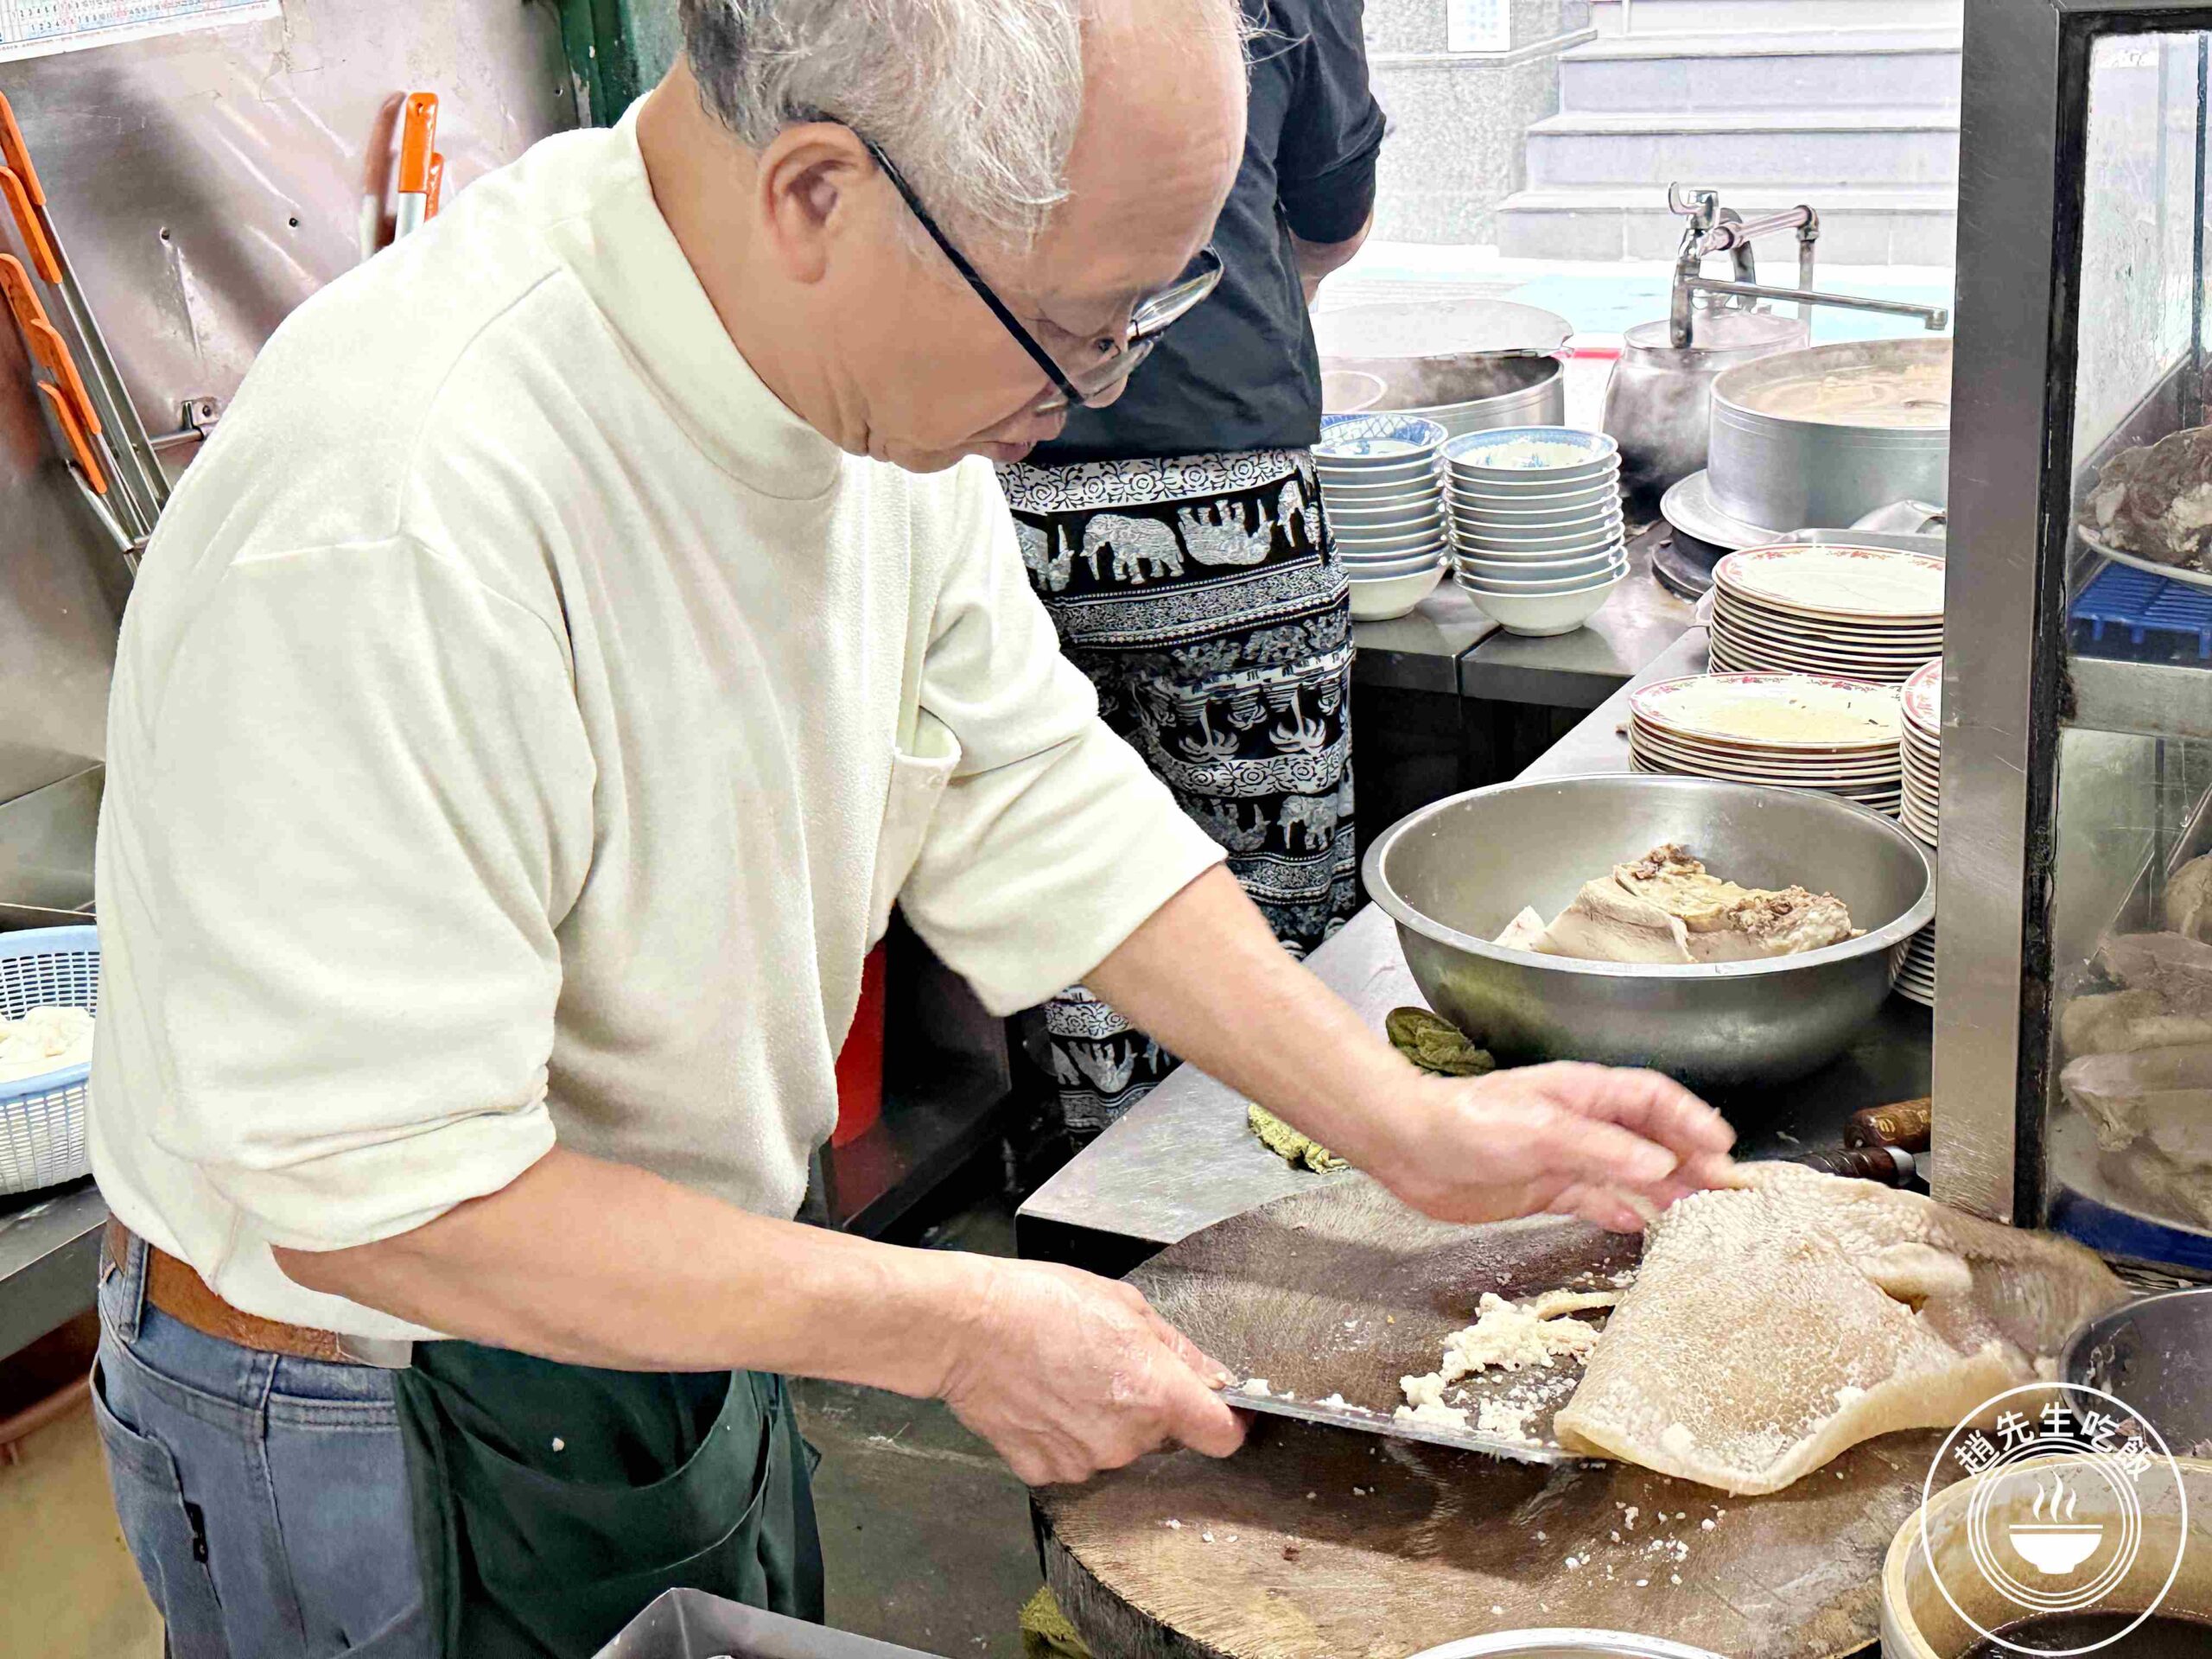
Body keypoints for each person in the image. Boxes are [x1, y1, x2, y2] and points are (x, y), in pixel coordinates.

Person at [86, 1, 1737, 1654]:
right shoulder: (401, 503)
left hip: (660, 1296)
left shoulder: (847, 376)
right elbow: (389, 1198)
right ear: (818, 194)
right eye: (1083, 332)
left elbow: (1029, 788)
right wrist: (952, 1329)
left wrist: (1404, 1126)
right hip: (370, 1390)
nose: (1102, 390)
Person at [998, 0, 1382, 1139]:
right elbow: (1333, 210)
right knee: (1278, 912)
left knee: (1073, 902)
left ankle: (1100, 1215)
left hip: (993, 480)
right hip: (1231, 502)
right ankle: (1260, 1216)